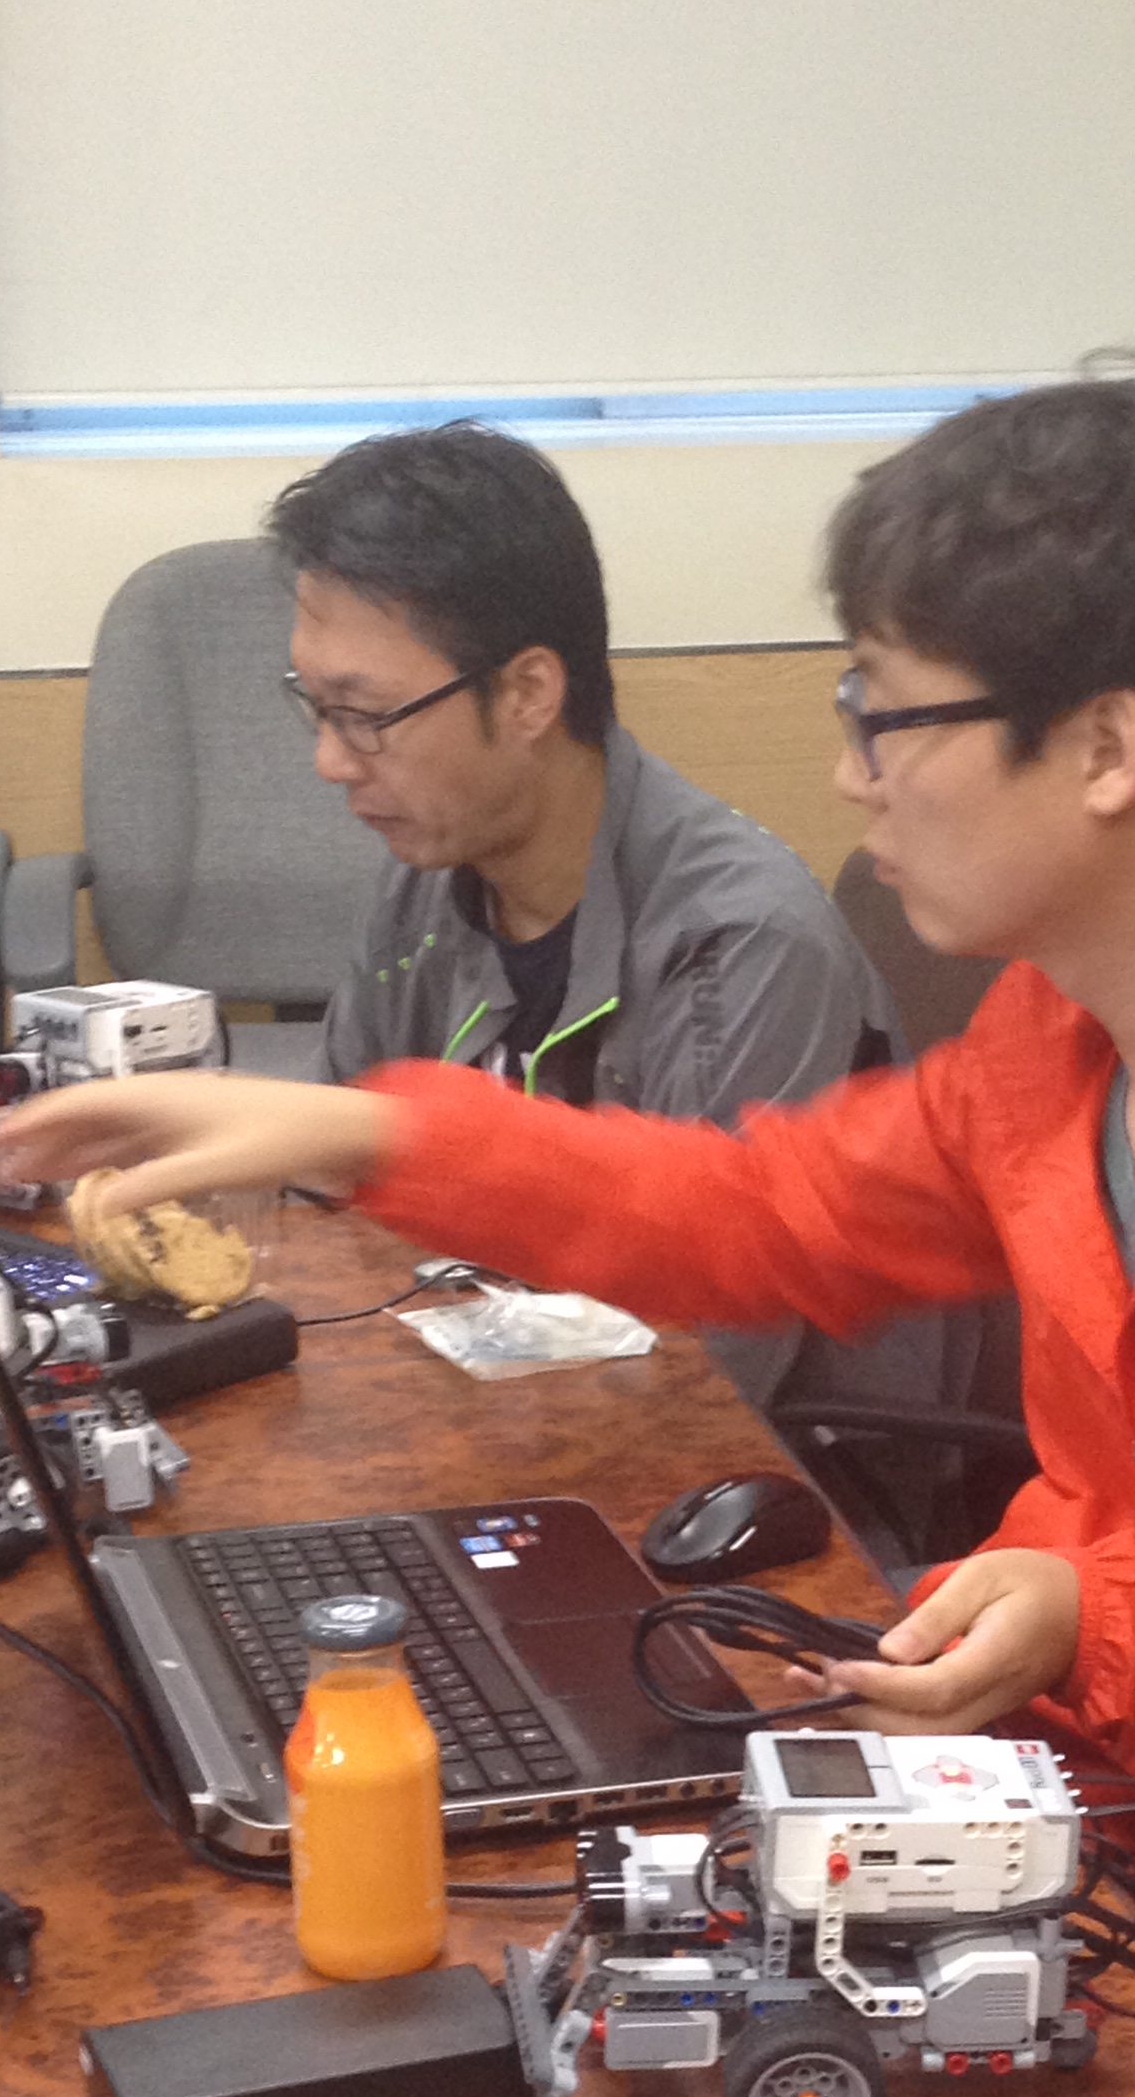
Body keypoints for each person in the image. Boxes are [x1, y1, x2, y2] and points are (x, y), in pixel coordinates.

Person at [0, 373, 1135, 2097]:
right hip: (1058, 1839)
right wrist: (370, 1135)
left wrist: (1109, 1625)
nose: (847, 776)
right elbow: (763, 1211)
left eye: (885, 716)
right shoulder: (1068, 1039)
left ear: (1105, 749)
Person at [271, 417, 943, 1430]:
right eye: (315, 708)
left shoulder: (742, 942)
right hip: (500, 1417)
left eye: (366, 715)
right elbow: (333, 1197)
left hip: (775, 1472)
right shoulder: (427, 878)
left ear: (529, 694)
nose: (331, 760)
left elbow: (704, 1375)